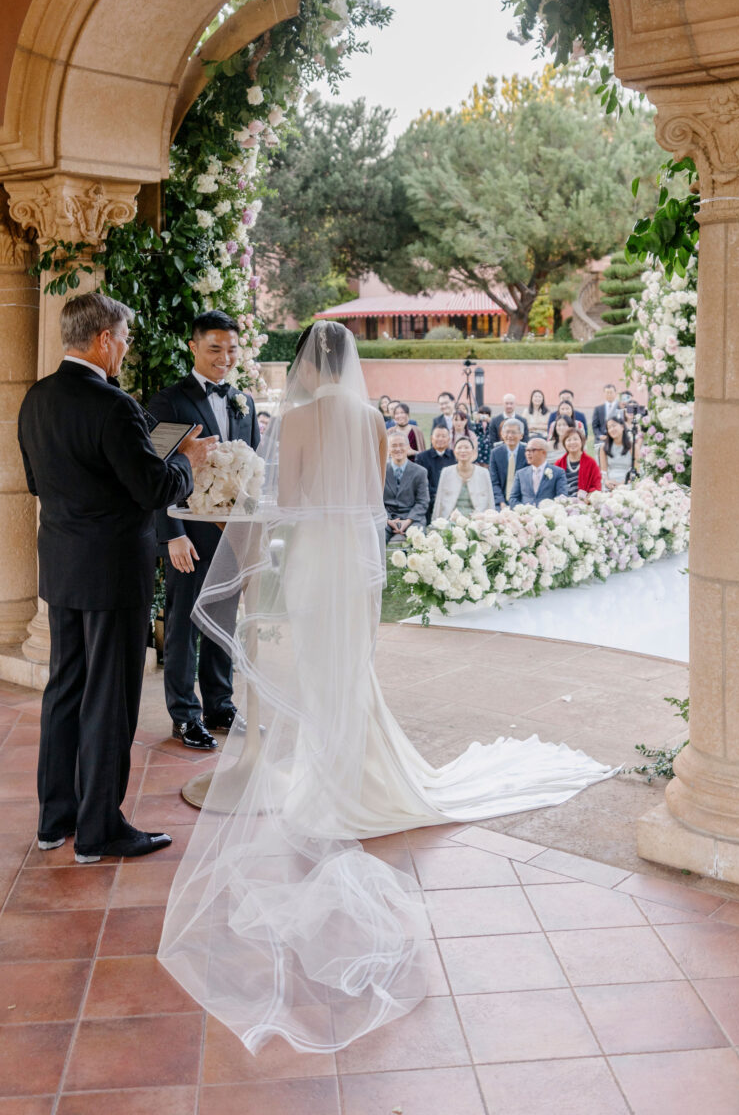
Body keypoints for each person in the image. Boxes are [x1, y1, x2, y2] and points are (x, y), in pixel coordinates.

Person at [158, 322, 616, 1054]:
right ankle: (352, 769)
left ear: (310, 364)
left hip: (309, 559)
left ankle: (330, 777)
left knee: (315, 669)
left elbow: (288, 499)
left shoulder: (296, 419)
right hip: (351, 562)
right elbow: (367, 500)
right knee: (348, 667)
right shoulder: (373, 420)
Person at [18, 290, 213, 862]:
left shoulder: (36, 398)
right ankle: (100, 829)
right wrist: (185, 463)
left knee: (64, 691)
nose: (125, 350)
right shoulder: (114, 406)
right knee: (111, 698)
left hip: (62, 567)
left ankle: (55, 822)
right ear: (104, 340)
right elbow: (154, 488)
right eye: (123, 339)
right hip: (112, 574)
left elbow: (39, 481)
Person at [148, 311, 260, 752]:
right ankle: (184, 714)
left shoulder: (245, 403)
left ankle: (220, 705)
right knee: (183, 625)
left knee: (223, 621)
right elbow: (156, 472)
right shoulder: (169, 401)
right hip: (189, 537)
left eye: (232, 349)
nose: (225, 358)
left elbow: (250, 473)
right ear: (193, 348)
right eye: (215, 349)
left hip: (232, 535)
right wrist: (172, 533)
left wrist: (247, 534)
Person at [432, 432, 495, 519]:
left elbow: (490, 501)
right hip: (451, 519)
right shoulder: (446, 472)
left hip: (477, 520)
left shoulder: (483, 472)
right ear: (454, 452)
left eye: (466, 447)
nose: (463, 451)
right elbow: (439, 501)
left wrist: (491, 521)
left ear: (473, 451)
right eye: (459, 448)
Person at [383, 429, 429, 541]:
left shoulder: (420, 472)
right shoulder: (381, 471)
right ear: (388, 449)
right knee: (376, 535)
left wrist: (408, 520)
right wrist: (388, 520)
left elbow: (423, 501)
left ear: (408, 447)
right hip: (387, 517)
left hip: (412, 518)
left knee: (417, 539)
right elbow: (375, 501)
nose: (398, 449)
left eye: (401, 445)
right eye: (394, 446)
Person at [414, 423, 456, 521]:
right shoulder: (422, 457)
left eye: (443, 436)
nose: (440, 439)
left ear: (449, 439)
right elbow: (420, 483)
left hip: (451, 498)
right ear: (432, 438)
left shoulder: (455, 456)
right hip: (429, 499)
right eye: (437, 436)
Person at [512, 435, 565, 505]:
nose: (528, 453)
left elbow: (562, 497)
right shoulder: (520, 473)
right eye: (527, 450)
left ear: (544, 453)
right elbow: (513, 498)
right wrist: (523, 510)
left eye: (532, 450)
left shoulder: (558, 472)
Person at [489, 416, 528, 507]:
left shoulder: (527, 453)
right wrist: (501, 502)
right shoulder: (495, 453)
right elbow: (494, 482)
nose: (510, 436)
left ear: (521, 435)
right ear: (502, 434)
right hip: (500, 501)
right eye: (507, 432)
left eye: (514, 432)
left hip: (522, 501)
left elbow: (527, 483)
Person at [557, 426, 602, 497]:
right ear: (564, 443)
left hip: (584, 502)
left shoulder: (591, 463)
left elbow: (597, 486)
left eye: (575, 439)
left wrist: (588, 496)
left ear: (582, 441)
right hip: (563, 501)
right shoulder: (559, 463)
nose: (572, 442)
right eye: (569, 440)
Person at [599, 415, 638, 487]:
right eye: (609, 428)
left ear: (622, 427)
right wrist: (607, 482)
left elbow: (636, 470)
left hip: (627, 483)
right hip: (610, 483)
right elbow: (603, 471)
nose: (612, 429)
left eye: (614, 426)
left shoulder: (632, 447)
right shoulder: (604, 447)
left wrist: (623, 484)